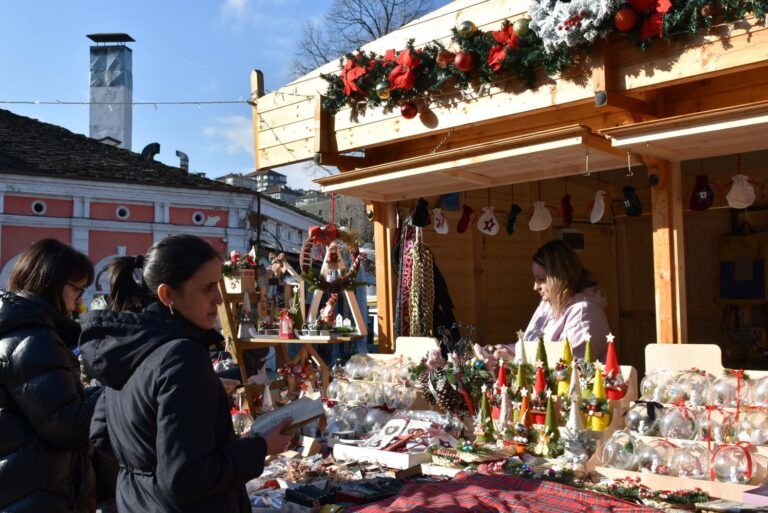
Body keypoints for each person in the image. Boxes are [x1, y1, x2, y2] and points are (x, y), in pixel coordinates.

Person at [79, 235, 292, 513]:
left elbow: (104, 436)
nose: (218, 298)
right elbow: (187, 476)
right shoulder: (181, 355)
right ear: (168, 295)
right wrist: (261, 447)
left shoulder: (129, 347)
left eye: (219, 285)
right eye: (207, 288)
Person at [0, 239, 100, 513]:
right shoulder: (35, 338)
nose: (79, 303)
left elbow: (55, 405)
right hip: (38, 491)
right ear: (51, 282)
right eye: (77, 290)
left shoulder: (16, 328)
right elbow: (67, 426)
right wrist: (115, 392)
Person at [523, 240, 611, 360]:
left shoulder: (584, 311)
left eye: (542, 279)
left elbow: (569, 365)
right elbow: (530, 346)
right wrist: (503, 351)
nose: (535, 287)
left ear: (561, 277)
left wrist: (516, 358)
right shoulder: (547, 305)